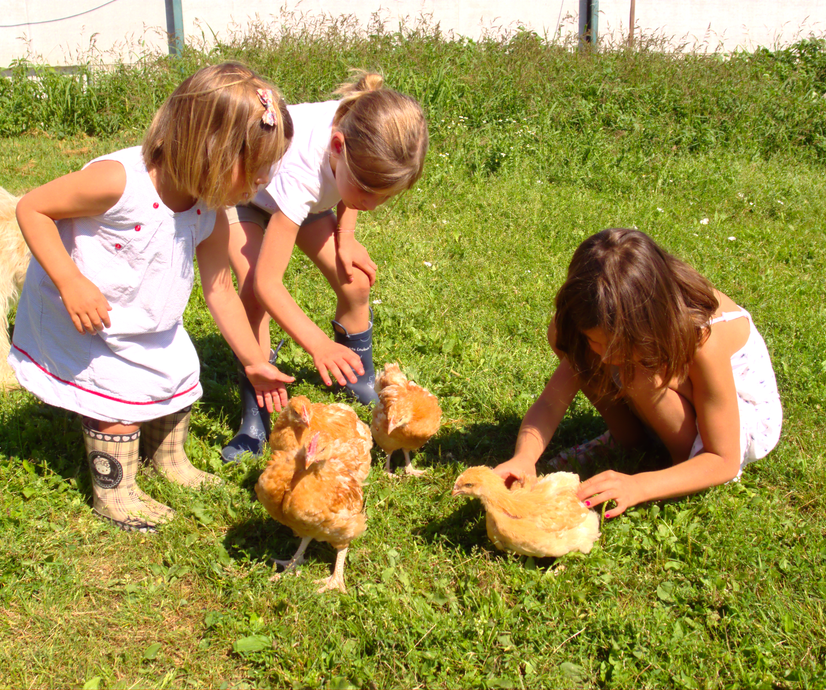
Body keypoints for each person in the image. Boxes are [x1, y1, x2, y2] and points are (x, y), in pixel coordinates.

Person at [8, 63, 296, 532]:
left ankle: (170, 459)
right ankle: (115, 490)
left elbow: (220, 288)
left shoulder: (211, 212)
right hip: (88, 314)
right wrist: (70, 281)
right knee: (117, 403)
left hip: (148, 316)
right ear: (210, 148)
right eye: (256, 168)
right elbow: (32, 207)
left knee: (178, 375)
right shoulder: (118, 182)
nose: (263, 180)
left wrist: (253, 360)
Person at [494, 228, 782, 518]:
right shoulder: (601, 317)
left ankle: (677, 462)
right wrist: (524, 458)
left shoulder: (703, 337)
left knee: (640, 374)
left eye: (616, 345)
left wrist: (639, 486)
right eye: (597, 340)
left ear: (651, 323)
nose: (605, 356)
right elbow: (550, 402)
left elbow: (723, 459)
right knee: (565, 338)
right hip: (670, 385)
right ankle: (627, 439)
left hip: (737, 421)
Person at [220, 70, 428, 462]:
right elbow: (268, 283)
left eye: (385, 197)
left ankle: (355, 378)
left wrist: (345, 236)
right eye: (368, 191)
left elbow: (349, 194)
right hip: (245, 195)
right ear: (336, 147)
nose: (373, 204)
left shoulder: (361, 126)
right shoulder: (304, 169)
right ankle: (256, 415)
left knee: (355, 282)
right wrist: (317, 343)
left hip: (308, 202)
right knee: (252, 294)